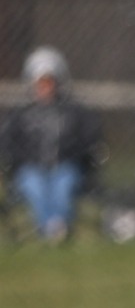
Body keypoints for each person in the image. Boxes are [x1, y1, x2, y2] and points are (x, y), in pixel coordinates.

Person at [0, 47, 105, 243]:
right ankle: (53, 229)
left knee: (62, 186)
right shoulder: (20, 115)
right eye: (40, 82)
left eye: (49, 82)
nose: (45, 87)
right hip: (30, 168)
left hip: (65, 167)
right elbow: (8, 145)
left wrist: (74, 158)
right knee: (35, 186)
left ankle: (54, 228)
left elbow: (88, 141)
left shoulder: (74, 113)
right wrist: (21, 162)